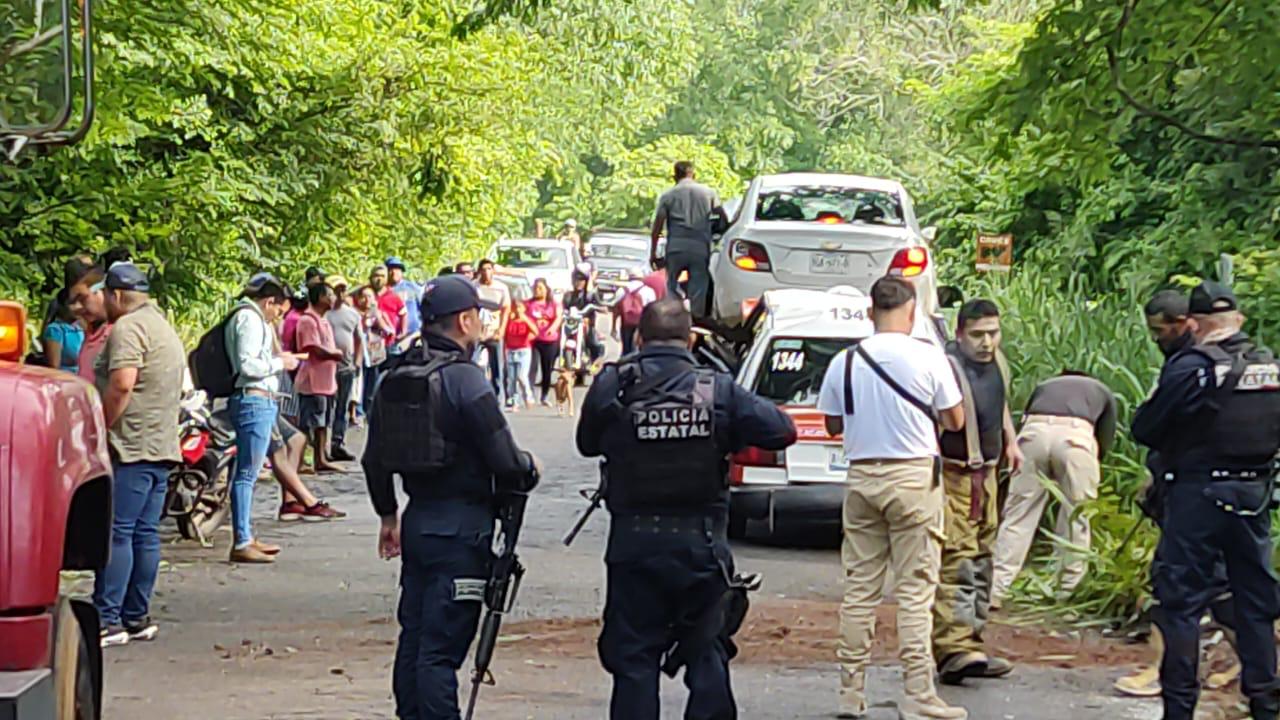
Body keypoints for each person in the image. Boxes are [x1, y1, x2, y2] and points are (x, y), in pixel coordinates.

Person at [575, 298, 797, 719]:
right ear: (691, 338)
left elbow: (587, 443)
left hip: (634, 542)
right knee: (706, 649)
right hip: (700, 543)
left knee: (635, 658)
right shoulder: (716, 388)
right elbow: (780, 431)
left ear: (639, 338)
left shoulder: (615, 383)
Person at [362, 274, 539, 719]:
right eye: (479, 316)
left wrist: (388, 516)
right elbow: (506, 460)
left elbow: (373, 460)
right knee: (441, 653)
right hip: (462, 531)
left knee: (416, 640)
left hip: (418, 521)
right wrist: (528, 468)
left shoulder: (395, 376)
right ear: (464, 320)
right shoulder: (466, 380)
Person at [816, 276, 967, 720]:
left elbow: (831, 426)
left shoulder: (844, 362)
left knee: (860, 591)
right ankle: (918, 694)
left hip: (862, 477)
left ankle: (850, 691)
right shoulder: (928, 357)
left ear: (869, 312)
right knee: (915, 591)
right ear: (912, 311)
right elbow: (955, 420)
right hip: (913, 479)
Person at [1131, 280, 1280, 720]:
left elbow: (1146, 428)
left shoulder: (1190, 366)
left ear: (1193, 324)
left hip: (1197, 496)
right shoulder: (1270, 367)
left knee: (1180, 604)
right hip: (1254, 497)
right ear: (1240, 320)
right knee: (1253, 602)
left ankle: (1179, 708)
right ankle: (1266, 704)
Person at [92, 262, 186, 647]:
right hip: (161, 445)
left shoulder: (128, 328)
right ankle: (137, 616)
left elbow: (122, 385)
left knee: (118, 532)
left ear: (116, 295)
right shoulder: (162, 326)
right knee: (146, 534)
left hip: (131, 446)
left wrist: (100, 426)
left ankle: (107, 619)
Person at [931, 299, 1022, 684]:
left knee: (984, 557)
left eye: (993, 333)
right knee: (958, 558)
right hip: (955, 476)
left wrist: (1010, 442)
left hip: (987, 475)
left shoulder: (997, 364)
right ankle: (952, 647)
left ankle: (973, 640)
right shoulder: (946, 368)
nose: (987, 342)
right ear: (959, 334)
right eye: (978, 335)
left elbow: (998, 406)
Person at [991, 370, 1117, 606]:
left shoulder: (1045, 384)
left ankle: (997, 588)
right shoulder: (1101, 390)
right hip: (1077, 436)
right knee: (1077, 515)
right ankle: (1068, 591)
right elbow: (1105, 436)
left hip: (1034, 433)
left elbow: (1023, 418)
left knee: (1019, 515)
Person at [223, 273, 303, 563]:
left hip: (262, 400)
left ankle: (246, 534)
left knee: (253, 470)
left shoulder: (257, 320)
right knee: (247, 473)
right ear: (270, 302)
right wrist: (281, 362)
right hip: (252, 399)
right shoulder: (250, 319)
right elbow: (248, 364)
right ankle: (241, 540)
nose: (278, 317)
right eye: (279, 311)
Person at [650, 161, 724, 318]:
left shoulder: (668, 195)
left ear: (674, 176)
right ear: (694, 175)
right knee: (698, 288)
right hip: (700, 247)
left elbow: (658, 227)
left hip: (676, 247)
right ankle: (693, 322)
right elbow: (722, 218)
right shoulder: (709, 193)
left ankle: (672, 316)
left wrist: (653, 253)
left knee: (671, 286)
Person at [295, 283, 344, 473]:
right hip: (312, 381)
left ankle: (320, 458)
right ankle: (299, 461)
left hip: (326, 381)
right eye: (329, 295)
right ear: (320, 297)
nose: (333, 299)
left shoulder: (323, 320)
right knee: (308, 423)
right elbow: (311, 347)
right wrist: (334, 354)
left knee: (322, 423)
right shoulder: (308, 320)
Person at [270, 414, 346, 522]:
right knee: (277, 453)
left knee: (296, 439)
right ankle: (309, 503)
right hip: (254, 404)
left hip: (266, 405)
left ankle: (290, 502)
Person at [324, 275, 362, 461]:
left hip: (346, 367)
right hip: (326, 367)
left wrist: (358, 361)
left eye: (343, 290)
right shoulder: (323, 313)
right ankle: (322, 445)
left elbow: (359, 339)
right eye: (336, 290)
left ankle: (337, 443)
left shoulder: (352, 314)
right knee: (326, 407)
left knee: (343, 407)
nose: (340, 294)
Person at [65, 264, 111, 384]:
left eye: (82, 299)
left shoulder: (117, 332)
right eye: (72, 302)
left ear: (101, 293)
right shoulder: (91, 332)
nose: (76, 308)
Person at [475, 259, 511, 402]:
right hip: (478, 331)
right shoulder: (474, 287)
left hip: (494, 330)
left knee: (497, 366)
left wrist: (501, 330)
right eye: (483, 269)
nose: (486, 272)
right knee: (474, 363)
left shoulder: (501, 288)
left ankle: (498, 396)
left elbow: (506, 309)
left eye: (489, 269)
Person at [356, 284, 393, 416]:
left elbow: (389, 330)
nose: (366, 300)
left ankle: (370, 409)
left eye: (369, 296)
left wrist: (377, 319)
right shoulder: (354, 314)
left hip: (374, 354)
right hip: (359, 354)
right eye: (363, 296)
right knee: (359, 384)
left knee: (372, 382)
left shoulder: (378, 313)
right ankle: (358, 411)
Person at [526, 277, 561, 405]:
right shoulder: (528, 304)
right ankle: (529, 394)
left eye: (540, 288)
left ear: (546, 289)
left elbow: (558, 317)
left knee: (547, 368)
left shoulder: (553, 304)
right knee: (531, 367)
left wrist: (552, 328)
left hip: (549, 340)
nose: (537, 290)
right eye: (535, 288)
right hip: (533, 340)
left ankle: (544, 395)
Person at [562, 269, 606, 369]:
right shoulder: (568, 295)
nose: (579, 283)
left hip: (587, 324)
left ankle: (595, 363)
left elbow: (598, 304)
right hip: (571, 324)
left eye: (581, 280)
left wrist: (601, 308)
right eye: (576, 280)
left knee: (593, 342)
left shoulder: (590, 295)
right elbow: (563, 307)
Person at [503, 288, 538, 410]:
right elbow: (505, 334)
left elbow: (535, 331)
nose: (517, 310)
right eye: (515, 307)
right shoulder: (509, 321)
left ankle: (528, 397)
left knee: (522, 376)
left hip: (523, 350)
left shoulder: (526, 320)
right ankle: (514, 401)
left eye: (520, 307)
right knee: (511, 378)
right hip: (510, 350)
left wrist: (525, 320)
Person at [42, 290, 84, 373]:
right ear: (61, 306)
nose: (78, 307)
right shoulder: (55, 330)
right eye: (72, 303)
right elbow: (54, 367)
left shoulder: (79, 329)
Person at [372, 264, 409, 355]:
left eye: (382, 276)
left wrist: (403, 332)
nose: (379, 279)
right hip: (370, 341)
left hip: (389, 341)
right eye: (376, 276)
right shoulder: (365, 294)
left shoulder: (393, 296)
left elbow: (403, 314)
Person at [386, 257, 423, 345]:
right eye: (390, 269)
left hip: (412, 335)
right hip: (390, 337)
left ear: (402, 272)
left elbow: (424, 307)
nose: (394, 272)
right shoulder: (382, 290)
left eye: (397, 269)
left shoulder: (412, 288)